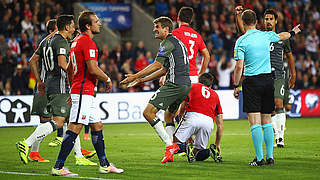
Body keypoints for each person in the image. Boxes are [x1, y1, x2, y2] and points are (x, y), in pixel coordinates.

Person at [16, 15, 96, 167]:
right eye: (73, 26)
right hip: (60, 86)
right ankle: (27, 143)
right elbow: (62, 63)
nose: (74, 29)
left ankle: (78, 156)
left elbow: (32, 60)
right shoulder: (60, 41)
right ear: (66, 27)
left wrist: (39, 81)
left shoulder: (46, 41)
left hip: (47, 85)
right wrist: (74, 80)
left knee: (70, 120)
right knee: (59, 121)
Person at [51, 11, 123, 176]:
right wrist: (107, 79)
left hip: (83, 91)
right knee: (75, 127)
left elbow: (70, 69)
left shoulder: (75, 42)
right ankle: (58, 167)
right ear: (88, 26)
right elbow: (92, 69)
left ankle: (104, 164)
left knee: (97, 125)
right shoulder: (88, 42)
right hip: (83, 91)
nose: (100, 24)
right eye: (96, 21)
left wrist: (72, 88)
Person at [233, 9, 301, 166]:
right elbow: (282, 36)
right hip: (268, 81)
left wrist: (236, 85)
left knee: (254, 122)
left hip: (252, 82)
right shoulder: (266, 36)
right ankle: (270, 157)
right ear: (257, 22)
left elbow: (238, 67)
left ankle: (259, 158)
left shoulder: (241, 41)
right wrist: (293, 31)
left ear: (243, 23)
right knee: (267, 121)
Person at [120, 16, 191, 164]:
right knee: (169, 117)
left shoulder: (167, 43)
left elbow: (156, 65)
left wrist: (135, 75)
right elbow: (163, 69)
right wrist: (141, 80)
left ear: (166, 29)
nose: (154, 30)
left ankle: (169, 145)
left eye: (157, 27)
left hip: (174, 84)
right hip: (185, 86)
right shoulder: (177, 43)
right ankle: (174, 148)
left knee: (148, 112)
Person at [160, 6, 210, 139]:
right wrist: (200, 74)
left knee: (170, 113)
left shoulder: (175, 33)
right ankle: (188, 142)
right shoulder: (196, 35)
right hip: (194, 77)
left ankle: (172, 146)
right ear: (191, 20)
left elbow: (169, 55)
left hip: (179, 76)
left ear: (178, 18)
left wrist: (164, 74)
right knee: (185, 111)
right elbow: (207, 55)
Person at [173, 73, 223, 163]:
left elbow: (183, 107)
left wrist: (180, 119)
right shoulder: (215, 95)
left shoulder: (192, 86)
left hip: (192, 116)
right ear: (210, 85)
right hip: (208, 122)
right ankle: (210, 151)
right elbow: (220, 125)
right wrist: (217, 144)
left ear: (199, 80)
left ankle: (186, 147)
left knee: (174, 143)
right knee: (197, 153)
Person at [27, 19, 57, 163]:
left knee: (61, 120)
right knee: (48, 121)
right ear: (52, 31)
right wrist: (39, 81)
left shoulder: (54, 43)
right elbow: (32, 60)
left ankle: (33, 152)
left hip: (54, 88)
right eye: (58, 28)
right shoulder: (46, 43)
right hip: (45, 87)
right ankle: (28, 147)